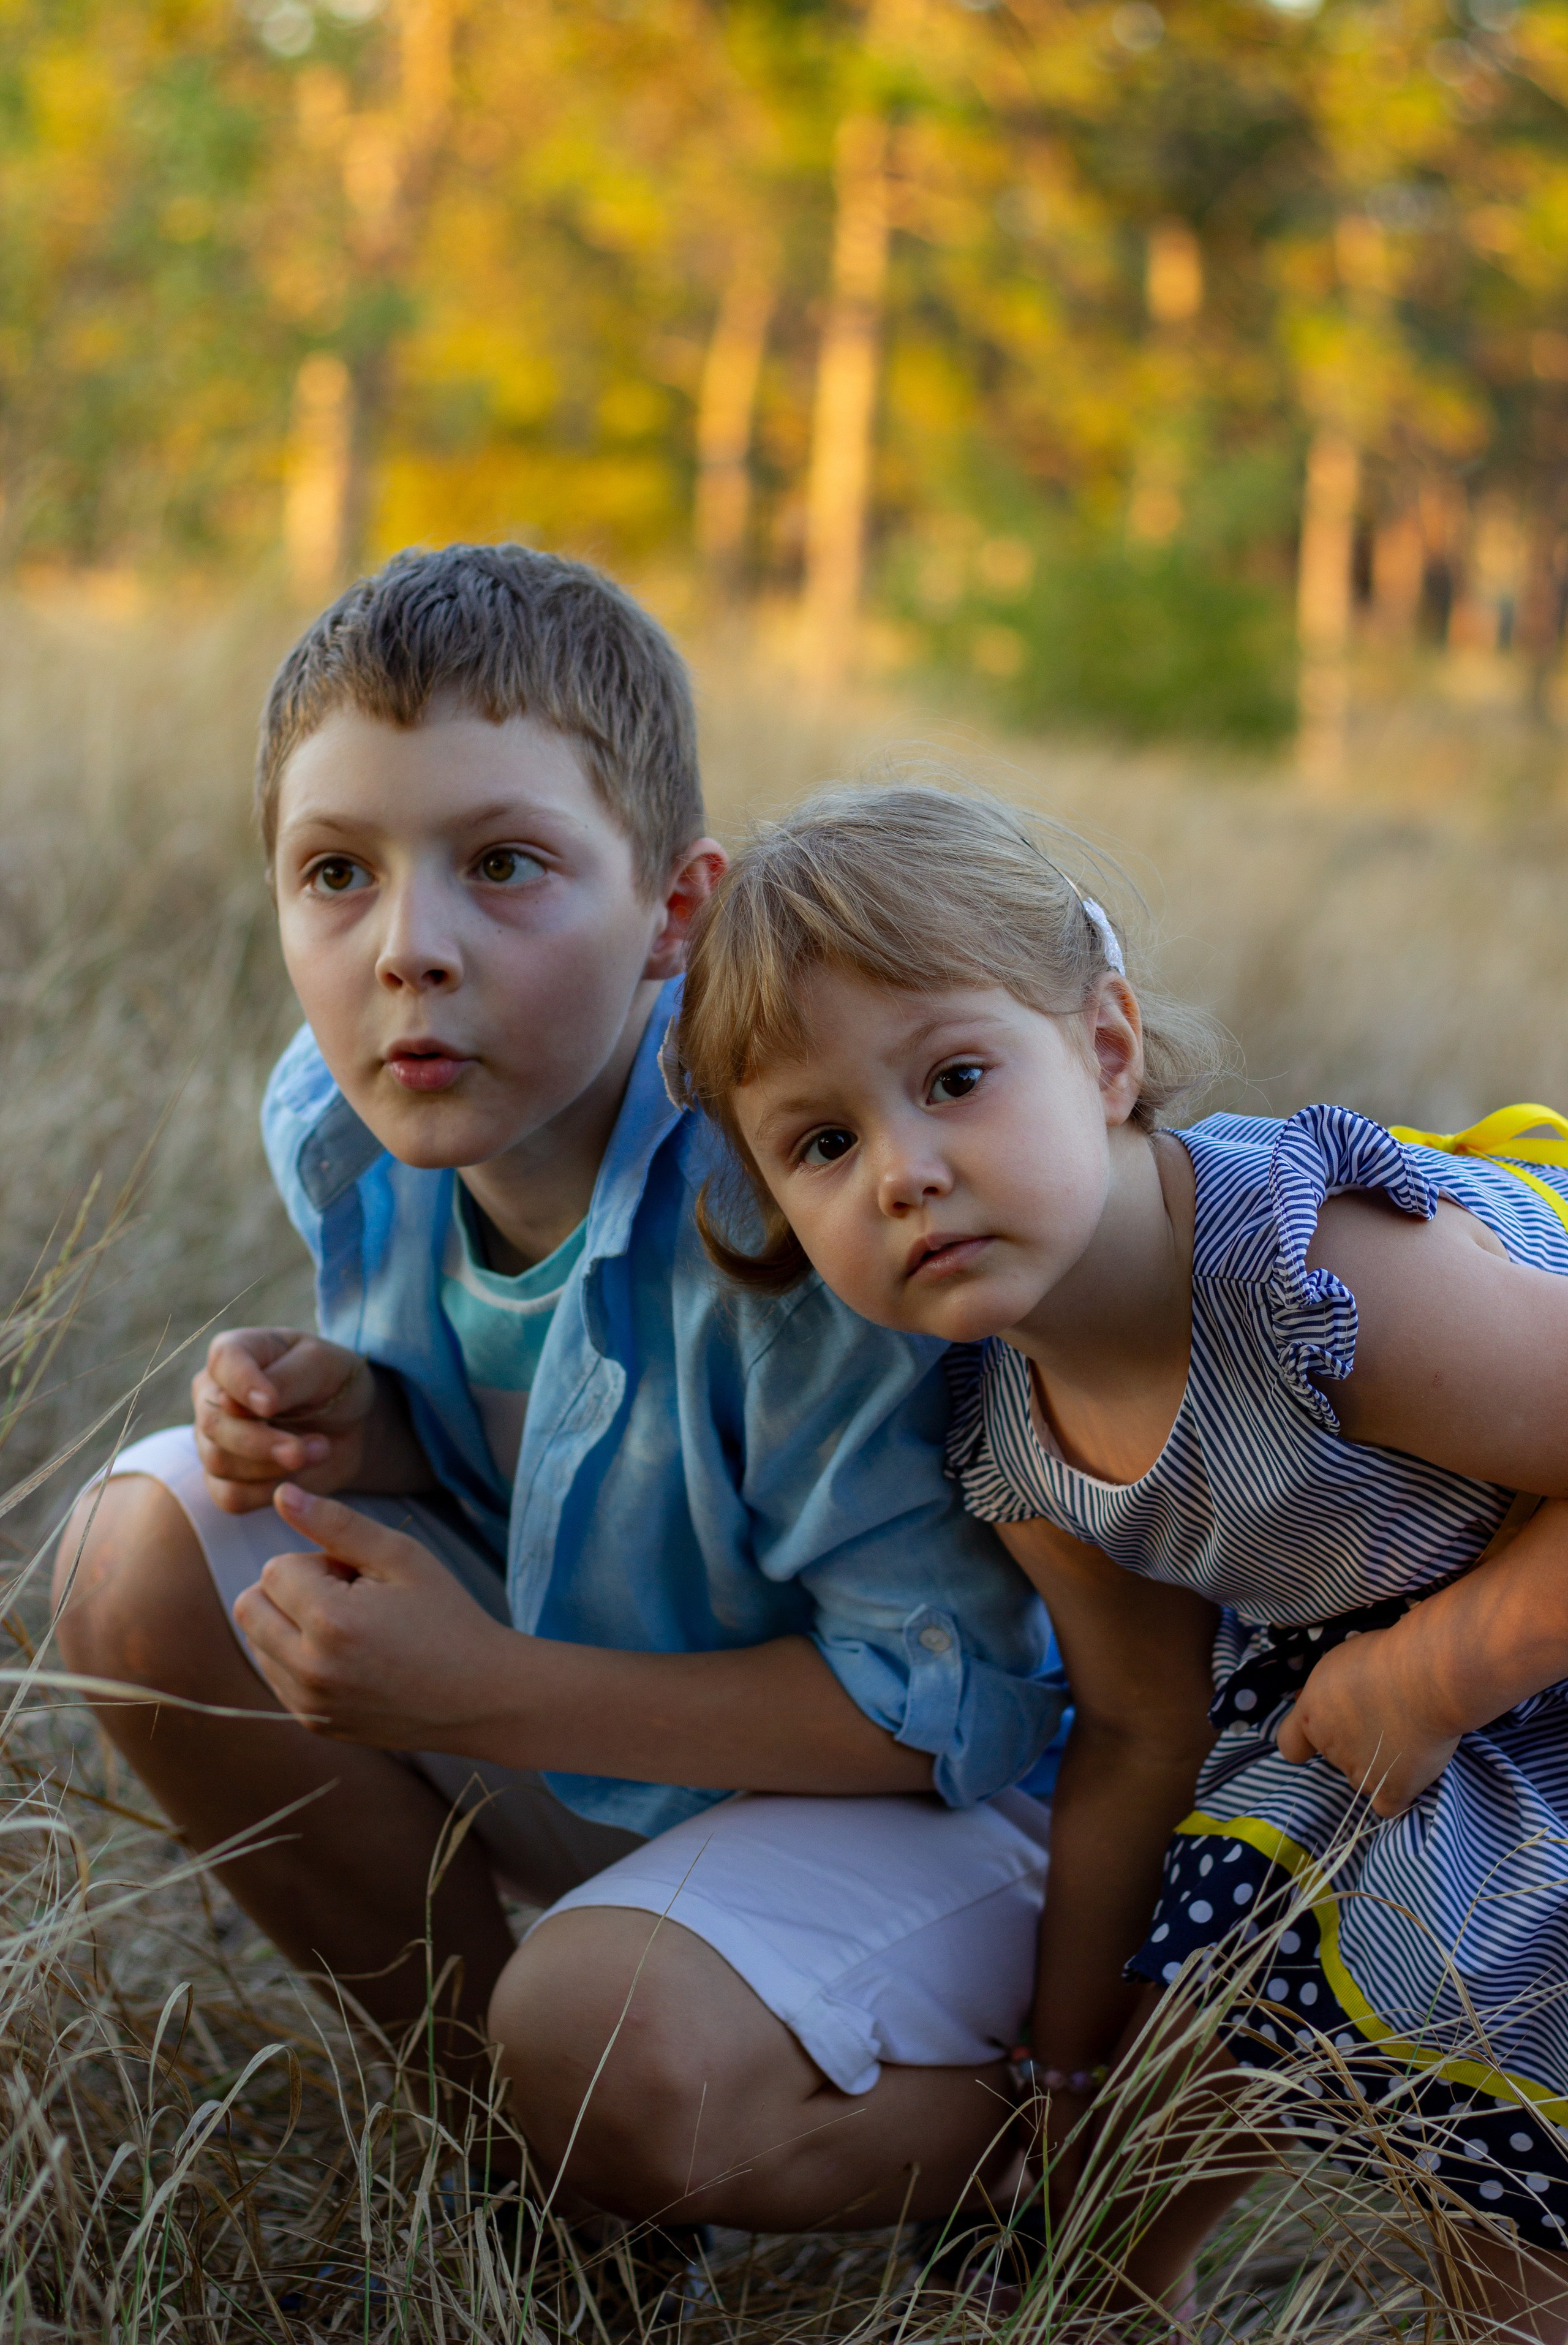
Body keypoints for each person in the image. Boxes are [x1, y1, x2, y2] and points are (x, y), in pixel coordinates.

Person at [54, 552, 1065, 2237]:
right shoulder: (342, 1118)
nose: (409, 952)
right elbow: (554, 1454)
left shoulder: (784, 1206)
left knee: (606, 2041)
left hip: (940, 1823)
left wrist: (494, 1691)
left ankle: (1079, 2135)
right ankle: (544, 2190)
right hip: (606, 1728)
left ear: (673, 909)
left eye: (505, 865)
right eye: (336, 875)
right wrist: (363, 1421)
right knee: (137, 1548)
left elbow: (955, 1709)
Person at [673, 779, 1568, 2338]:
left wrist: (1434, 1674)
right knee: (1205, 1965)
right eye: (822, 1142)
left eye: (954, 1077)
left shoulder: (1314, 1274)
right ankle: (1094, 2288)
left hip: (1506, 1623)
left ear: (1101, 1048)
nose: (903, 1170)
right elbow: (1144, 1729)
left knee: (1507, 2196)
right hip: (1388, 1680)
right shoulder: (1015, 1433)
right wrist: (1061, 2062)